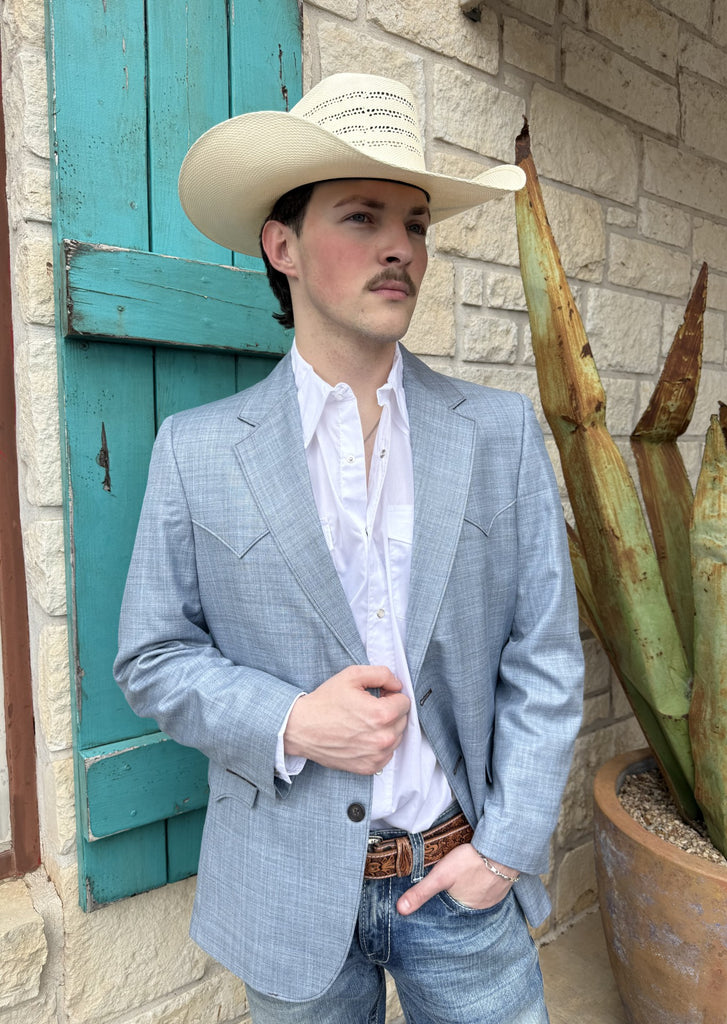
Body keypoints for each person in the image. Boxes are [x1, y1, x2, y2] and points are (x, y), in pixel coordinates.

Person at [114, 73, 583, 1024]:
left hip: (460, 884)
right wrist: (291, 720)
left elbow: (544, 656)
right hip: (284, 890)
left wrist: (504, 850)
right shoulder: (198, 451)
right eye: (362, 217)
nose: (400, 247)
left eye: (414, 224)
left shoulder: (496, 433)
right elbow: (152, 658)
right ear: (281, 246)